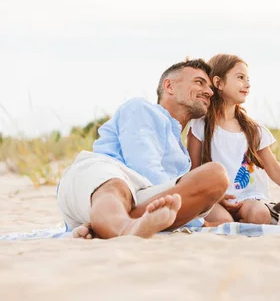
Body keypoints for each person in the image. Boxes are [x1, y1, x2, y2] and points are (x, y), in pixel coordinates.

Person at [56, 59, 229, 239]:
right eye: (199, 82)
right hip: (101, 181)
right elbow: (143, 166)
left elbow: (170, 194)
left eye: (210, 88)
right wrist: (195, 214)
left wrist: (208, 199)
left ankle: (107, 226)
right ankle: (123, 227)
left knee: (215, 175)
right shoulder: (141, 108)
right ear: (169, 86)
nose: (209, 92)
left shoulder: (181, 154)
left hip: (139, 199)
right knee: (117, 185)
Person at [187, 54, 280, 225]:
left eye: (248, 79)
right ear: (219, 83)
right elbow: (192, 171)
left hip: (247, 198)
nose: (247, 84)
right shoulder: (200, 125)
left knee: (260, 214)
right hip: (213, 199)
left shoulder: (254, 130)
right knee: (224, 221)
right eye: (240, 78)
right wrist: (214, 196)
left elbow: (274, 170)